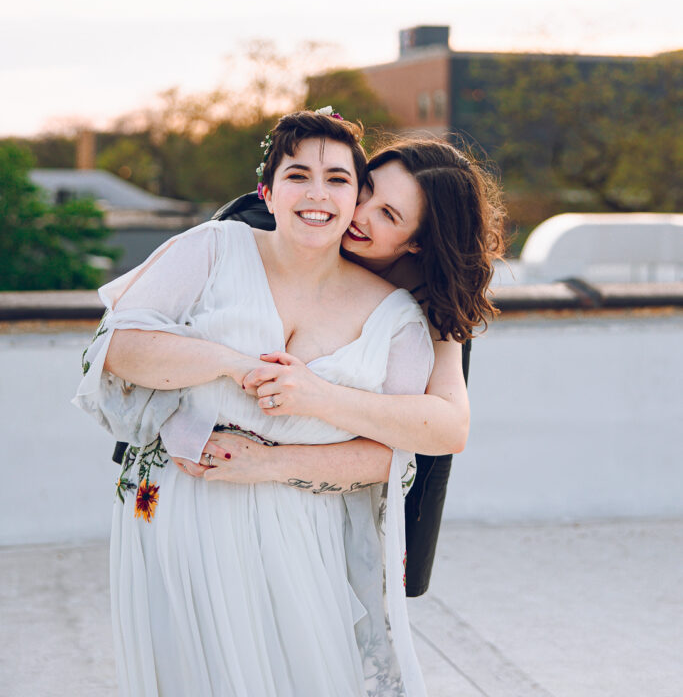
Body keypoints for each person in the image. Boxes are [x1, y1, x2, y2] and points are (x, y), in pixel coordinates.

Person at [74, 111, 439, 697]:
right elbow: (117, 348)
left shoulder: (395, 318)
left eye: (339, 179)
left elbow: (389, 455)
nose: (317, 193)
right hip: (181, 515)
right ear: (268, 193)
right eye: (298, 175)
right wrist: (231, 363)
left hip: (302, 532)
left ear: (355, 201)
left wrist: (269, 463)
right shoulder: (212, 250)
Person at [203, 136, 503, 595]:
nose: (359, 214)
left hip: (331, 500)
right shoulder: (267, 227)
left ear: (419, 242)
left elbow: (449, 427)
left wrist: (317, 398)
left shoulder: (430, 300)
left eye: (389, 215)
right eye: (365, 191)